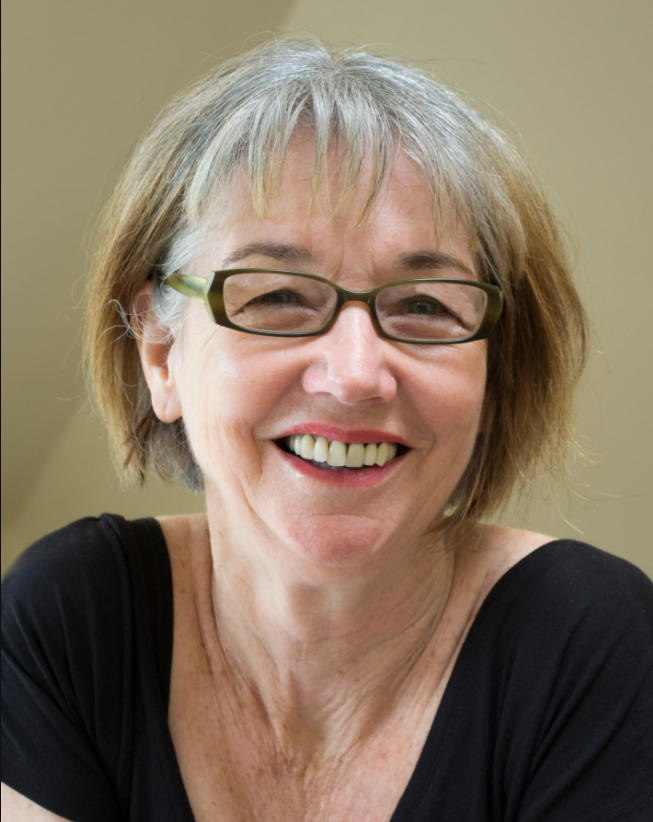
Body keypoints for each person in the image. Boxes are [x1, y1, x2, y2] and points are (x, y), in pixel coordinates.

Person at [2, 38, 652, 822]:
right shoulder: (73, 617)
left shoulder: (589, 640)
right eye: (276, 296)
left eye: (425, 305)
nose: (353, 374)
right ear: (161, 351)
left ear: (491, 374)